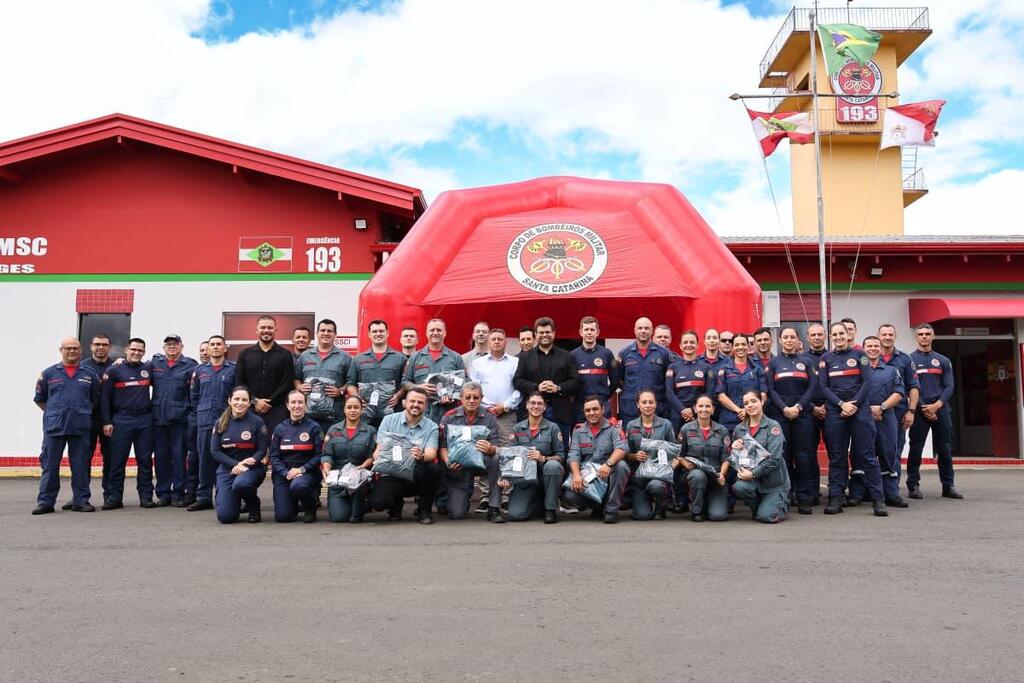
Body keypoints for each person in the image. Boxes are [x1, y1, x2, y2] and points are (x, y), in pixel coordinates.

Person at [818, 323, 887, 517]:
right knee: (837, 457)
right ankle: (836, 498)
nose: (839, 337)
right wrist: (841, 404)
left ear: (848, 334)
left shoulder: (860, 355)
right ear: (831, 337)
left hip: (860, 411)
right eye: (835, 334)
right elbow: (823, 387)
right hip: (836, 411)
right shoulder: (826, 358)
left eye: (842, 333)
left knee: (867, 456)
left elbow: (867, 382)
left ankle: (878, 500)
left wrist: (854, 404)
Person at [32, 337, 100, 514]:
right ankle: (46, 502)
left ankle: (81, 500)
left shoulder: (90, 374)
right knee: (50, 465)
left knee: (80, 465)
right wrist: (56, 413)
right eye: (68, 348)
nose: (72, 351)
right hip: (55, 427)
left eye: (75, 348)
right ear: (61, 350)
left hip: (80, 426)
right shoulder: (48, 373)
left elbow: (94, 400)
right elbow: (40, 400)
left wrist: (80, 412)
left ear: (81, 351)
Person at [368, 387, 440, 524]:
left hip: (415, 472)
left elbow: (432, 453)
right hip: (391, 471)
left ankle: (424, 510)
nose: (416, 405)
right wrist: (379, 456)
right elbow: (379, 449)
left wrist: (421, 455)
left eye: (420, 402)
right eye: (412, 401)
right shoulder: (388, 420)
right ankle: (396, 504)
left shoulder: (432, 427)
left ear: (425, 406)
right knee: (379, 503)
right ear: (404, 403)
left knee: (433, 468)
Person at [101, 337, 158, 509]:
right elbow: (104, 398)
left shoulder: (149, 368)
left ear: (144, 352)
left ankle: (146, 497)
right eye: (133, 349)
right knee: (117, 461)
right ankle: (114, 497)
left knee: (145, 460)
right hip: (121, 420)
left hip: (144, 420)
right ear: (126, 349)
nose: (136, 353)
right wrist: (107, 421)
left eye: (140, 350)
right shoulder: (114, 370)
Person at [766, 326, 817, 514]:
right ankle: (786, 496)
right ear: (780, 340)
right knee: (784, 457)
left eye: (792, 337)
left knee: (803, 457)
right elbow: (771, 390)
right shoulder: (773, 363)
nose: (789, 340)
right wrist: (785, 408)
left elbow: (812, 388)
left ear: (797, 340)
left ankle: (804, 498)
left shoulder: (806, 362)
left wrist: (798, 407)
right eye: (785, 337)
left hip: (802, 415)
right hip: (781, 415)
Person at [907, 323, 960, 499]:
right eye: (920, 334)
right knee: (916, 449)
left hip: (941, 409)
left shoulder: (943, 360)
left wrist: (937, 405)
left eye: (927, 334)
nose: (924, 337)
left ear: (933, 336)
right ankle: (913, 485)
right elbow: (910, 386)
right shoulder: (909, 360)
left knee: (945, 449)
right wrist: (923, 406)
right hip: (920, 410)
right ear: (916, 337)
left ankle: (948, 486)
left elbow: (949, 385)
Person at [853, 336, 907, 507]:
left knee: (888, 455)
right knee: (860, 455)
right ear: (863, 348)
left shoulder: (891, 370)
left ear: (880, 348)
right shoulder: (856, 370)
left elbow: (898, 393)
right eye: (869, 346)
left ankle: (891, 493)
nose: (873, 349)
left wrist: (881, 408)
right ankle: (858, 493)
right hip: (861, 417)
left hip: (886, 418)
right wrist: (867, 410)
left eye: (876, 345)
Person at [438, 382, 503, 522]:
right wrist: (448, 461)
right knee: (456, 514)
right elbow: (443, 447)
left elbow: (496, 445)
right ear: (461, 397)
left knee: (496, 459)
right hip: (458, 466)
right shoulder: (449, 417)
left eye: (476, 397)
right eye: (468, 397)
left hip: (482, 461)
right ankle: (462, 496)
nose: (472, 401)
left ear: (481, 398)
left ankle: (494, 507)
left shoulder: (490, 416)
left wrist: (490, 448)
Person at [498, 392, 566, 523]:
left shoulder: (553, 428)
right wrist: (505, 476)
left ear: (545, 407)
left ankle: (550, 510)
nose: (536, 406)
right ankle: (537, 503)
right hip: (525, 480)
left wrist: (543, 458)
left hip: (545, 476)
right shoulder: (517, 428)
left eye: (540, 403)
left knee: (553, 466)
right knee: (515, 515)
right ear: (527, 405)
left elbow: (561, 457)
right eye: (533, 403)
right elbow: (510, 455)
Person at [187, 335, 237, 511]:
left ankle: (225, 496)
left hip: (228, 421)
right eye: (212, 345)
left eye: (219, 344)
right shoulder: (200, 371)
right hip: (205, 421)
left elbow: (238, 394)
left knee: (227, 458)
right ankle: (204, 497)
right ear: (207, 350)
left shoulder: (233, 369)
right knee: (204, 460)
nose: (215, 347)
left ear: (225, 348)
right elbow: (194, 396)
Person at [513, 317, 580, 445]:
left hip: (560, 412)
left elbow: (576, 381)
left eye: (547, 332)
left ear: (554, 333)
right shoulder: (525, 357)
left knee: (561, 449)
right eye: (541, 332)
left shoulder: (566, 356)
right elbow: (517, 381)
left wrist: (558, 388)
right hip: (533, 411)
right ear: (536, 335)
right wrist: (536, 387)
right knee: (531, 449)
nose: (544, 335)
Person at [562, 396, 629, 524]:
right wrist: (576, 475)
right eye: (588, 410)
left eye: (595, 409)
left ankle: (611, 510)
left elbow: (622, 448)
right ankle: (597, 506)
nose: (591, 413)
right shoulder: (578, 430)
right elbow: (573, 455)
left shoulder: (613, 428)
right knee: (570, 496)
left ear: (603, 409)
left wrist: (609, 464)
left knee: (622, 466)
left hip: (608, 476)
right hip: (589, 479)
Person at [150, 334, 199, 507]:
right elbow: (136, 369)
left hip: (180, 419)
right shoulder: (155, 363)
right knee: (161, 458)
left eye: (175, 344)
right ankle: (163, 493)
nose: (171, 347)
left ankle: (178, 492)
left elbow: (194, 391)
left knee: (179, 458)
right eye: (168, 344)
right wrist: (120, 361)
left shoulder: (190, 365)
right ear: (163, 347)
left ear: (181, 346)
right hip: (158, 419)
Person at [728, 391, 790, 523]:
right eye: (746, 403)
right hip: (753, 482)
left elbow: (774, 459)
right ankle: (759, 507)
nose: (750, 405)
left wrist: (753, 474)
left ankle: (779, 504)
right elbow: (735, 460)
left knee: (767, 517)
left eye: (753, 401)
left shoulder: (773, 426)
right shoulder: (739, 429)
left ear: (762, 401)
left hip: (773, 483)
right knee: (739, 487)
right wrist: (733, 448)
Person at [210, 386, 269, 524]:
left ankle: (253, 505)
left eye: (244, 400)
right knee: (226, 517)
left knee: (241, 484)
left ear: (249, 403)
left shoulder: (257, 422)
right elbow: (215, 452)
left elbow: (262, 449)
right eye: (236, 399)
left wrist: (251, 461)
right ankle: (234, 501)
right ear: (229, 400)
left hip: (251, 468)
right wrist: (236, 464)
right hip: (227, 469)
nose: (240, 403)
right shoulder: (220, 423)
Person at [878, 323, 920, 493]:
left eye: (890, 334)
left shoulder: (905, 359)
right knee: (872, 451)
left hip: (897, 413)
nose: (887, 337)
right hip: (875, 413)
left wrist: (911, 411)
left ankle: (892, 491)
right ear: (878, 336)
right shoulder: (869, 356)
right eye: (884, 334)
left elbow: (914, 387)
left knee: (894, 450)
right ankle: (874, 489)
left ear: (895, 336)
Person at [269, 390, 323, 523]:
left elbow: (319, 455)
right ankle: (292, 502)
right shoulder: (280, 429)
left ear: (305, 405)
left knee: (298, 486)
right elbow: (274, 456)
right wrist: (285, 472)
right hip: (284, 474)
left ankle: (310, 507)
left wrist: (302, 470)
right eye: (293, 402)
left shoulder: (314, 427)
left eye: (300, 402)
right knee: (284, 517)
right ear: (287, 405)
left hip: (306, 473)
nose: (297, 406)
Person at [675, 395, 731, 522]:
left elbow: (726, 458)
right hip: (693, 473)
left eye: (708, 406)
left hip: (714, 476)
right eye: (700, 406)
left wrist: (722, 475)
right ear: (695, 408)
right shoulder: (686, 429)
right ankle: (697, 511)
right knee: (698, 476)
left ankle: (707, 500)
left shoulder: (722, 431)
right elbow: (678, 453)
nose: (704, 409)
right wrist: (685, 464)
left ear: (713, 410)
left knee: (718, 516)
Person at [321, 395, 377, 523]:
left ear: (362, 410)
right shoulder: (333, 430)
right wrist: (327, 468)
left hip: (359, 479)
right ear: (344, 410)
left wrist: (363, 466)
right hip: (338, 478)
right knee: (339, 517)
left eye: (356, 407)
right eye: (349, 407)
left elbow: (372, 456)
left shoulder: (370, 431)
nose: (353, 410)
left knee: (355, 518)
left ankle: (361, 504)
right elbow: (327, 454)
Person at [622, 390, 676, 520]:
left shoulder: (666, 424)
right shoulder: (631, 425)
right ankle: (642, 502)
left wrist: (671, 461)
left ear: (656, 404)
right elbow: (625, 453)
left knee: (656, 486)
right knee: (642, 515)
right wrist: (634, 456)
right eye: (644, 402)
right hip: (639, 477)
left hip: (658, 475)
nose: (647, 405)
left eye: (651, 402)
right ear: (638, 405)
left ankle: (660, 506)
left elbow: (674, 450)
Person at [294, 318, 353, 434]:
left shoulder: (345, 357)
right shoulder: (305, 356)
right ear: (317, 333)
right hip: (308, 415)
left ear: (335, 334)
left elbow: (352, 381)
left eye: (329, 331)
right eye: (322, 330)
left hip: (334, 416)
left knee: (333, 447)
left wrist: (340, 391)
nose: (326, 333)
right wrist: (299, 387)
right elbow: (296, 378)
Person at [402, 318, 465, 423]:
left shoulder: (455, 358)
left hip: (447, 414)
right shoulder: (415, 357)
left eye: (439, 330)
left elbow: (463, 384)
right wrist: (418, 387)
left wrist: (453, 397)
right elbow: (404, 382)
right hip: (421, 414)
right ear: (427, 333)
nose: (435, 333)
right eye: (432, 330)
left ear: (445, 333)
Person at [349, 319, 407, 428]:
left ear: (387, 333)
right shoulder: (358, 359)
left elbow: (406, 382)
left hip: (392, 414)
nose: (378, 334)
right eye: (374, 332)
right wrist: (357, 398)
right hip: (365, 415)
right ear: (369, 335)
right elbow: (351, 383)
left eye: (381, 331)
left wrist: (398, 396)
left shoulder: (400, 358)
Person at [616, 317, 672, 424]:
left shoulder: (664, 354)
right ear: (635, 330)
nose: (643, 331)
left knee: (656, 440)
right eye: (640, 328)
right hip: (631, 408)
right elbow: (618, 379)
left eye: (646, 328)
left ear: (651, 331)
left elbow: (668, 381)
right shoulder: (624, 353)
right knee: (631, 439)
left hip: (657, 408)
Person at [80, 333, 114, 509]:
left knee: (111, 459)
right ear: (91, 346)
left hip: (110, 420)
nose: (101, 348)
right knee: (83, 459)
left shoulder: (116, 366)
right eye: (97, 344)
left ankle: (110, 496)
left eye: (104, 345)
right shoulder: (82, 367)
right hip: (88, 420)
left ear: (109, 347)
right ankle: (81, 496)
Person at [471, 328, 520, 443]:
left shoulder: (516, 362)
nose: (497, 342)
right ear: (488, 341)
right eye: (493, 339)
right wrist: (487, 408)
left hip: (508, 415)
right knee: (482, 447)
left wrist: (505, 406)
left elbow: (519, 389)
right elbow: (475, 390)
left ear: (505, 342)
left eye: (500, 339)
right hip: (483, 414)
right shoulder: (478, 363)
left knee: (508, 449)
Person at [714, 335, 767, 434]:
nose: (740, 347)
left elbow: (763, 394)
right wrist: (739, 410)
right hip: (729, 422)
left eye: (743, 344)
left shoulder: (757, 369)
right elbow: (721, 396)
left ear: (748, 346)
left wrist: (749, 410)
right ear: (733, 347)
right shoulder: (724, 369)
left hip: (754, 421)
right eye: (737, 345)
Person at [570, 316, 618, 424]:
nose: (589, 332)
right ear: (580, 332)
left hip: (602, 406)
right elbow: (569, 382)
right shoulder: (572, 355)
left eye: (592, 330)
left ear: (597, 332)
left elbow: (615, 381)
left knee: (604, 439)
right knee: (581, 439)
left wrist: (604, 396)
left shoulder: (607, 353)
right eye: (586, 329)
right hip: (580, 407)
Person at [665, 330, 710, 433]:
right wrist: (684, 411)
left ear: (698, 345)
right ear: (680, 345)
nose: (688, 345)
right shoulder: (673, 367)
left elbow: (709, 393)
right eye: (685, 342)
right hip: (677, 415)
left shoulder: (706, 367)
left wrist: (693, 410)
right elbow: (669, 393)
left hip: (700, 414)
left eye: (692, 342)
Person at [804, 322, 828, 505]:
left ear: (825, 336)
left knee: (836, 453)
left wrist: (828, 405)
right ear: (808, 337)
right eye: (813, 335)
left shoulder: (834, 357)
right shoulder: (802, 360)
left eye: (820, 334)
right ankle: (812, 492)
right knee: (808, 453)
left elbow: (839, 386)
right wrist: (813, 407)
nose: (817, 337)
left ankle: (836, 492)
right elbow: (800, 389)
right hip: (808, 411)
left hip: (832, 411)